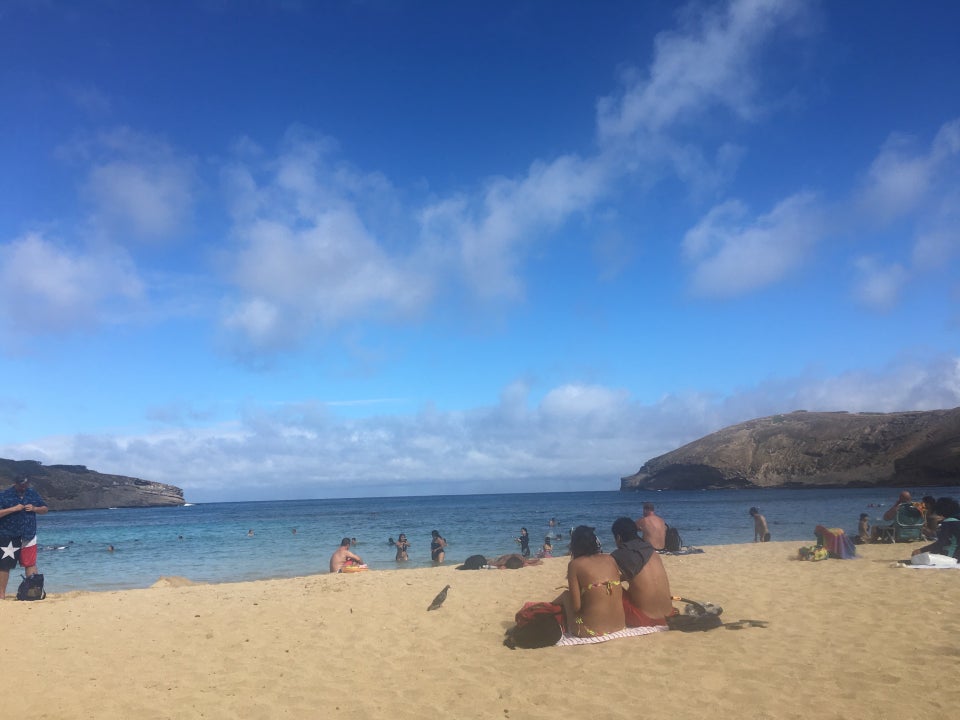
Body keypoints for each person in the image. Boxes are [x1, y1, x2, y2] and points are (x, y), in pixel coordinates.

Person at [557, 526, 625, 638]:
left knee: (565, 595)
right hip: (620, 626)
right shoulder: (610, 559)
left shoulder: (575, 565)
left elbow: (576, 607)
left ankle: (549, 606)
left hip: (591, 631)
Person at [610, 517, 674, 626]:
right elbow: (638, 571)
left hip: (644, 619)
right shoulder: (650, 549)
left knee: (608, 586)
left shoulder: (619, 554)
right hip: (669, 614)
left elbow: (605, 578)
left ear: (618, 538)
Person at [0, 476, 48, 600]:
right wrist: (13, 509)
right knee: (4, 566)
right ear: (15, 483)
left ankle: (33, 594)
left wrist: (35, 508)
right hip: (8, 534)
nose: (24, 487)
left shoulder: (32, 493)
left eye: (26, 484)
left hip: (29, 534)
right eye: (21, 485)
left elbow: (45, 509)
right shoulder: (5, 495)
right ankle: (1, 595)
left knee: (30, 563)